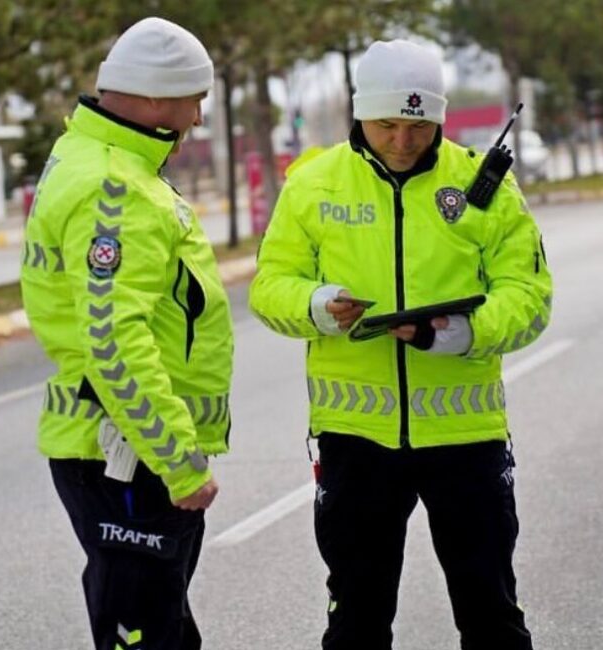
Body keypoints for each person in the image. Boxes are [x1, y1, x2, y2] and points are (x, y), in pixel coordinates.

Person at [249, 39, 552, 650]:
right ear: (360, 114)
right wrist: (317, 307)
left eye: (419, 125)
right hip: (356, 441)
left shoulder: (480, 186)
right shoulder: (312, 185)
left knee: (491, 614)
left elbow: (530, 294)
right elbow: (269, 287)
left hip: (465, 438)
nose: (403, 140)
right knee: (357, 619)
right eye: (387, 124)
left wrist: (467, 333)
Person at [19, 17, 232, 650]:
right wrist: (178, 462)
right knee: (147, 635)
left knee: (157, 627)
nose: (196, 118)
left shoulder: (88, 157)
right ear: (155, 98)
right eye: (194, 100)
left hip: (118, 448)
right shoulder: (118, 187)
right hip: (129, 457)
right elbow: (114, 343)